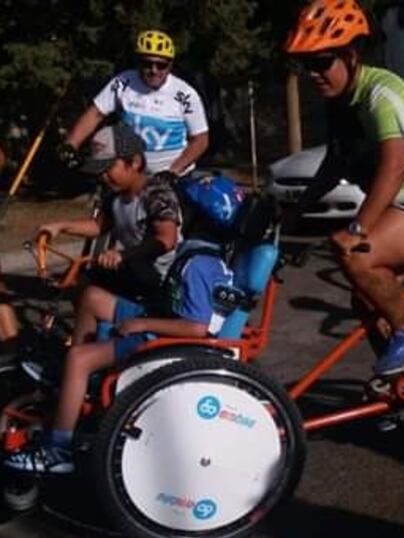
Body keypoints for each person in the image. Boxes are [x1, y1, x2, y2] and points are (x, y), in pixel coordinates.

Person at [285, 0, 404, 376]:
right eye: (306, 66)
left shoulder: (381, 93)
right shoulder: (340, 101)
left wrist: (357, 229)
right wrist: (295, 213)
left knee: (356, 257)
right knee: (365, 299)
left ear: (351, 56)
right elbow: (334, 162)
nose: (313, 74)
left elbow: (396, 165)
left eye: (322, 62)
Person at [4, 180, 238, 475]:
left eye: (185, 210)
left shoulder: (199, 265)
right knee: (91, 298)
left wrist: (142, 322)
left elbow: (197, 328)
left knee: (79, 359)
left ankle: (58, 449)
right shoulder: (200, 254)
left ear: (198, 218)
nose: (179, 215)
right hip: (164, 319)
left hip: (166, 338)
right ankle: (75, 389)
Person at [37, 122, 181, 346]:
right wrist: (60, 226)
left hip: (160, 281)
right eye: (99, 170)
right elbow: (99, 226)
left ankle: (83, 355)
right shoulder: (116, 196)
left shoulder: (157, 194)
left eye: (107, 168)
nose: (103, 176)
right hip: (136, 270)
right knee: (77, 278)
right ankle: (88, 337)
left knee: (90, 294)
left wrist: (124, 255)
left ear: (134, 162)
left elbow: (166, 240)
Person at [58, 30, 209, 180]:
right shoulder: (124, 82)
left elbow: (200, 140)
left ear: (170, 65)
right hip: (131, 176)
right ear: (138, 62)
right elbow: (96, 113)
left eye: (161, 65)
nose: (154, 70)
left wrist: (173, 171)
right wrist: (71, 144)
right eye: (147, 64)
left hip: (172, 177)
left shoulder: (185, 94)